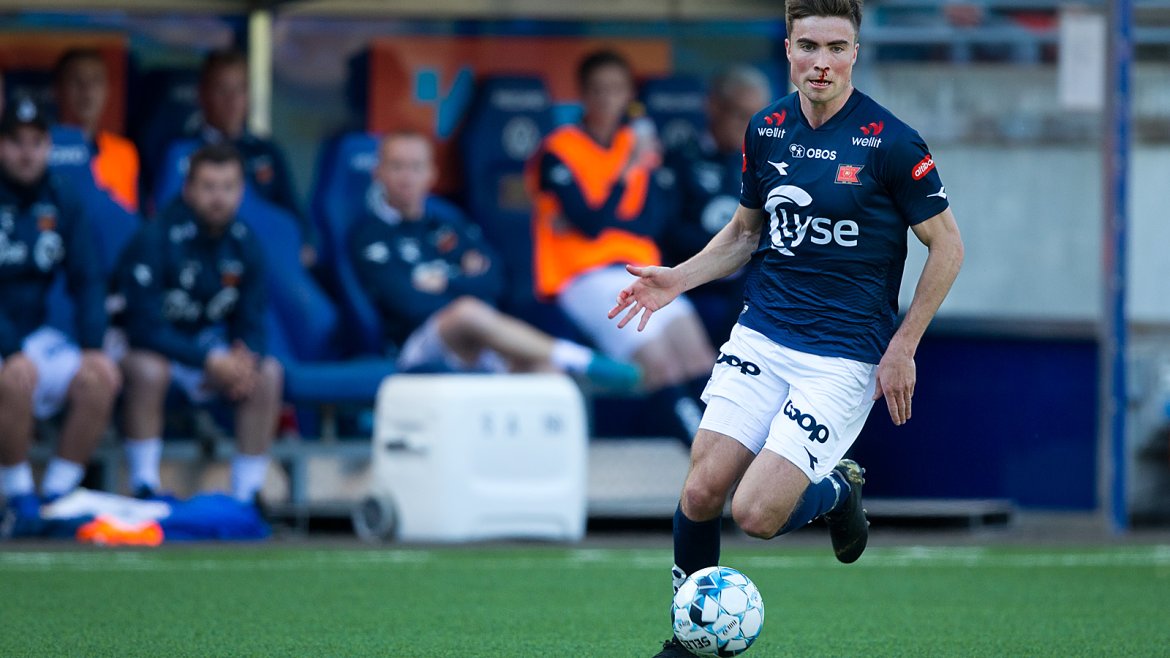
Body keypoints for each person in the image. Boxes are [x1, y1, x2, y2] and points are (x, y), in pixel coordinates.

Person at [607, 2, 965, 655]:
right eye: (808, 46)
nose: (821, 62)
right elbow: (747, 233)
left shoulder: (892, 142)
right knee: (701, 489)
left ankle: (833, 490)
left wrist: (904, 344)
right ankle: (689, 641)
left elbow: (947, 247)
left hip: (844, 356)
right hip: (764, 332)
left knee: (754, 515)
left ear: (856, 52)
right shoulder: (767, 128)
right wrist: (678, 278)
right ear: (788, 48)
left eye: (836, 47)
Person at [350, 131, 641, 391]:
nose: (406, 176)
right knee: (466, 312)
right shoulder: (370, 235)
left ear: (432, 174)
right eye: (397, 166)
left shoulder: (447, 225)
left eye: (416, 167)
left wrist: (445, 283)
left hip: (479, 339)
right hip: (415, 347)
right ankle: (581, 359)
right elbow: (409, 304)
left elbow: (497, 281)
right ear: (378, 172)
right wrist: (467, 284)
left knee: (547, 374)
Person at [528, 50, 716, 442]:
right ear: (583, 94)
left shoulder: (639, 144)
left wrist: (607, 211)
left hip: (645, 271)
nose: (606, 99)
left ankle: (727, 457)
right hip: (584, 278)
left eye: (615, 90)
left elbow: (653, 222)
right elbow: (591, 225)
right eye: (597, 90)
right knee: (660, 365)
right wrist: (626, 174)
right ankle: (703, 462)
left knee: (700, 357)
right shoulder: (559, 149)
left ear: (628, 94)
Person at [116, 143, 283, 504]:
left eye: (228, 187)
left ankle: (247, 493)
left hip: (204, 350)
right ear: (188, 188)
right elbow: (142, 327)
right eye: (208, 187)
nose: (218, 198)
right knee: (149, 370)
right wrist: (208, 361)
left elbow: (253, 320)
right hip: (146, 348)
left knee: (266, 374)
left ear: (241, 191)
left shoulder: (245, 243)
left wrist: (244, 361)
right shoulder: (155, 237)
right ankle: (144, 483)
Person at [0, 97, 121, 537]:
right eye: (15, 142)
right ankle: (16, 498)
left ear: (49, 146)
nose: (27, 152)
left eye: (37, 142)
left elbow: (88, 278)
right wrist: (10, 349)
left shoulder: (61, 198)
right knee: (13, 377)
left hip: (32, 333)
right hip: (5, 340)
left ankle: (56, 497)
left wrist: (93, 347)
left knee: (99, 378)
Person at [660, 65, 772, 345]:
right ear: (713, 106)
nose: (749, 125)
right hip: (695, 284)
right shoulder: (680, 160)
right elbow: (667, 230)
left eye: (756, 116)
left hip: (748, 286)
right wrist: (726, 252)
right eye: (739, 113)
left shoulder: (766, 165)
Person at [183, 49, 317, 266]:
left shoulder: (266, 151)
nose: (232, 100)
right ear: (203, 93)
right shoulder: (181, 148)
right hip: (200, 259)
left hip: (264, 259)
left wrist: (303, 244)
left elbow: (291, 212)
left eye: (240, 89)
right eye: (222, 89)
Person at [53, 48, 141, 213]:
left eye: (96, 81)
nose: (87, 91)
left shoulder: (125, 153)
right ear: (57, 89)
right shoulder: (40, 148)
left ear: (107, 90)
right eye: (77, 81)